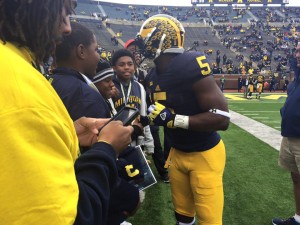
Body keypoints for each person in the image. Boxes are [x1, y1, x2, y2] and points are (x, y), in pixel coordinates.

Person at [0, 1, 133, 225]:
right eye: (63, 14)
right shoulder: (16, 83)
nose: (67, 27)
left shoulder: (15, 66)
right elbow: (68, 218)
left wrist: (68, 132)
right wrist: (106, 149)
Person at [136, 14, 230, 225]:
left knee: (209, 219)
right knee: (182, 214)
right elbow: (160, 114)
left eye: (145, 39)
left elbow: (222, 118)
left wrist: (174, 120)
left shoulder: (190, 64)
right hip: (177, 152)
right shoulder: (152, 76)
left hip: (204, 152)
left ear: (159, 39)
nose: (141, 45)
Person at [51, 22, 141, 225]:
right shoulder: (84, 93)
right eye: (96, 49)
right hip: (86, 197)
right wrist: (126, 196)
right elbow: (97, 156)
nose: (99, 56)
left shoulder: (54, 81)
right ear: (81, 51)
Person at [125, 39, 169, 182]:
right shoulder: (123, 73)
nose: (136, 54)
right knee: (130, 146)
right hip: (128, 115)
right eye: (133, 51)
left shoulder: (145, 73)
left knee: (156, 144)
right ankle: (136, 173)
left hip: (147, 114)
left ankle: (163, 172)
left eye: (138, 51)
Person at [272, 42, 300, 225]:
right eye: (297, 50)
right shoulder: (296, 77)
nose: (297, 54)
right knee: (296, 176)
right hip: (290, 136)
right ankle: (298, 218)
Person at [110, 49, 155, 156]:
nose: (126, 67)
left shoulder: (139, 86)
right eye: (121, 64)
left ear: (134, 67)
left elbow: (143, 115)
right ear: (114, 68)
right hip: (116, 139)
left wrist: (149, 143)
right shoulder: (110, 87)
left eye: (130, 64)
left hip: (136, 137)